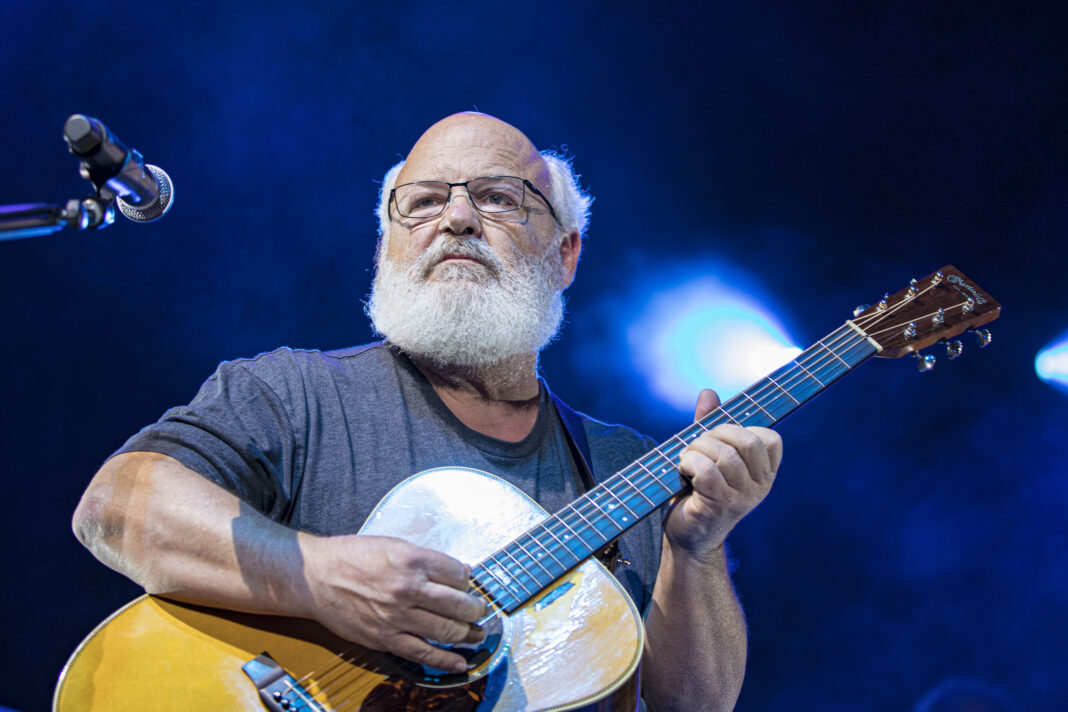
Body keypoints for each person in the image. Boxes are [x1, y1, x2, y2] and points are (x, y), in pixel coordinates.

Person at [72, 112, 782, 711]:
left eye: (500, 199)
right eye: (423, 201)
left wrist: (698, 548)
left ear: (565, 254)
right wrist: (320, 578)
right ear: (388, 242)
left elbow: (693, 703)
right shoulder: (291, 393)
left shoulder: (630, 470)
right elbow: (114, 509)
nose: (459, 219)